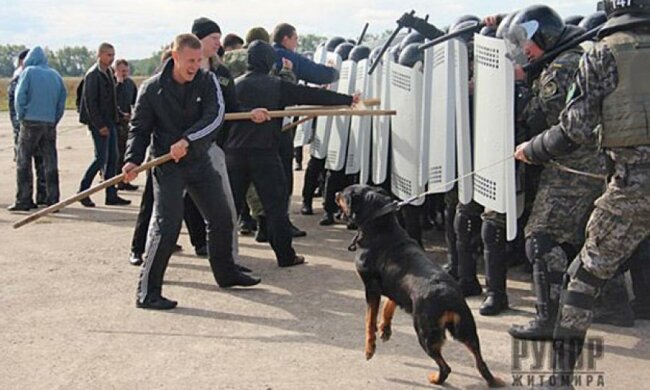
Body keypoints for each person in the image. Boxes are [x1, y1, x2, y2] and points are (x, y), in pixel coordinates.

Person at [513, 0, 650, 381]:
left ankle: (559, 380)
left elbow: (574, 129)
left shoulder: (605, 52)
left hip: (634, 185)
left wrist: (532, 149)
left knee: (582, 279)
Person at [123, 33, 261, 310]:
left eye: (199, 61)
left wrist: (188, 140)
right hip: (166, 165)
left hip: (198, 161)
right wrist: (131, 161)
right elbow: (139, 129)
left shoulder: (207, 81)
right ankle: (147, 292)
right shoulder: (151, 89)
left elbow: (215, 117)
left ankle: (226, 273)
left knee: (222, 218)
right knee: (168, 226)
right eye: (190, 60)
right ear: (174, 57)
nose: (195, 66)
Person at [500, 5, 608, 339]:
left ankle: (550, 319)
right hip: (593, 166)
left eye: (525, 41)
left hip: (571, 167)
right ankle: (615, 307)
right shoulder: (575, 56)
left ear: (543, 34)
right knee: (594, 240)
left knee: (541, 239)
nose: (523, 50)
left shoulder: (560, 68)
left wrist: (528, 143)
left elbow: (551, 123)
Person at [224, 40, 358, 267]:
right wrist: (347, 100)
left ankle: (224, 259)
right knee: (276, 207)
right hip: (264, 153)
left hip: (234, 155)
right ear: (269, 62)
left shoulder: (234, 86)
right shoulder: (276, 85)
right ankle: (285, 256)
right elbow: (311, 95)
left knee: (230, 209)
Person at [8, 46, 66, 211]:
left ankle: (24, 199)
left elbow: (20, 97)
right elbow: (62, 101)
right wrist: (54, 119)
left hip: (30, 122)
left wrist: (21, 117)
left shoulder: (28, 72)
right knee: (50, 161)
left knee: (23, 161)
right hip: (49, 123)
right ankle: (52, 198)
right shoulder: (55, 75)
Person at [78, 42, 130, 207]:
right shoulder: (93, 75)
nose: (111, 58)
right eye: (108, 55)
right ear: (99, 55)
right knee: (101, 159)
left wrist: (121, 115)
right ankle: (83, 190)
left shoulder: (108, 72)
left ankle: (111, 194)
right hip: (99, 123)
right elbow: (90, 103)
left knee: (113, 158)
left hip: (110, 121)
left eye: (113, 55)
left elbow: (110, 100)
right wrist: (99, 125)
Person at [8, 48, 47, 204]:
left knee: (24, 163)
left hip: (26, 126)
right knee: (42, 163)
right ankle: (43, 196)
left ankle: (25, 198)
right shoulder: (46, 75)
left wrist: (19, 126)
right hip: (44, 125)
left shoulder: (21, 77)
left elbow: (16, 104)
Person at [113, 58, 139, 191]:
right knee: (117, 153)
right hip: (116, 122)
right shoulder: (112, 84)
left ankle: (124, 180)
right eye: (122, 71)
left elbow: (135, 102)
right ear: (116, 70)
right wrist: (119, 83)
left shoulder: (130, 84)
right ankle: (117, 180)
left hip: (127, 122)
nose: (124, 73)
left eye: (126, 71)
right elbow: (111, 101)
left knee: (125, 152)